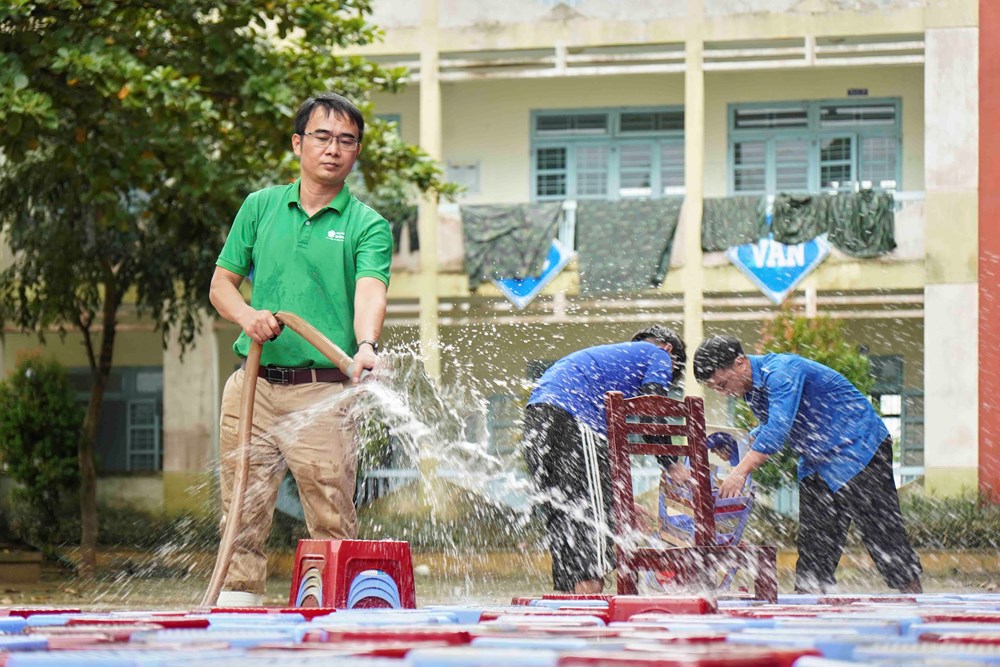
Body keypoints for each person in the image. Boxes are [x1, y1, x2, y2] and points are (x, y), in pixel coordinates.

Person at [209, 92, 392, 606]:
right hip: (254, 387)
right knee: (241, 508)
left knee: (330, 513)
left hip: (323, 392)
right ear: (298, 143)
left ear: (356, 152)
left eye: (347, 140)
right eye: (322, 136)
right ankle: (237, 603)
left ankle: (337, 613)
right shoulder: (260, 207)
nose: (333, 149)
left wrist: (366, 344)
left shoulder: (366, 223)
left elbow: (370, 289)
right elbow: (221, 285)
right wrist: (248, 316)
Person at [692, 334, 922, 594]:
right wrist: (737, 443)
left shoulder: (781, 372)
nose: (724, 393)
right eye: (717, 390)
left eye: (723, 384)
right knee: (815, 543)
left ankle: (915, 601)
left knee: (882, 534)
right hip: (817, 460)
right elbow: (769, 425)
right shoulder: (752, 391)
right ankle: (809, 601)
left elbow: (778, 430)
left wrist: (740, 471)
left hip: (859, 447)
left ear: (740, 362)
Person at [523, 325, 688, 594]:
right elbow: (652, 407)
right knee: (591, 519)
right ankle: (590, 599)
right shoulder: (657, 354)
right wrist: (671, 464)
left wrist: (619, 502)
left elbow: (592, 477)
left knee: (563, 512)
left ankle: (569, 602)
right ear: (669, 350)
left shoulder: (611, 363)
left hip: (536, 417)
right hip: (573, 416)